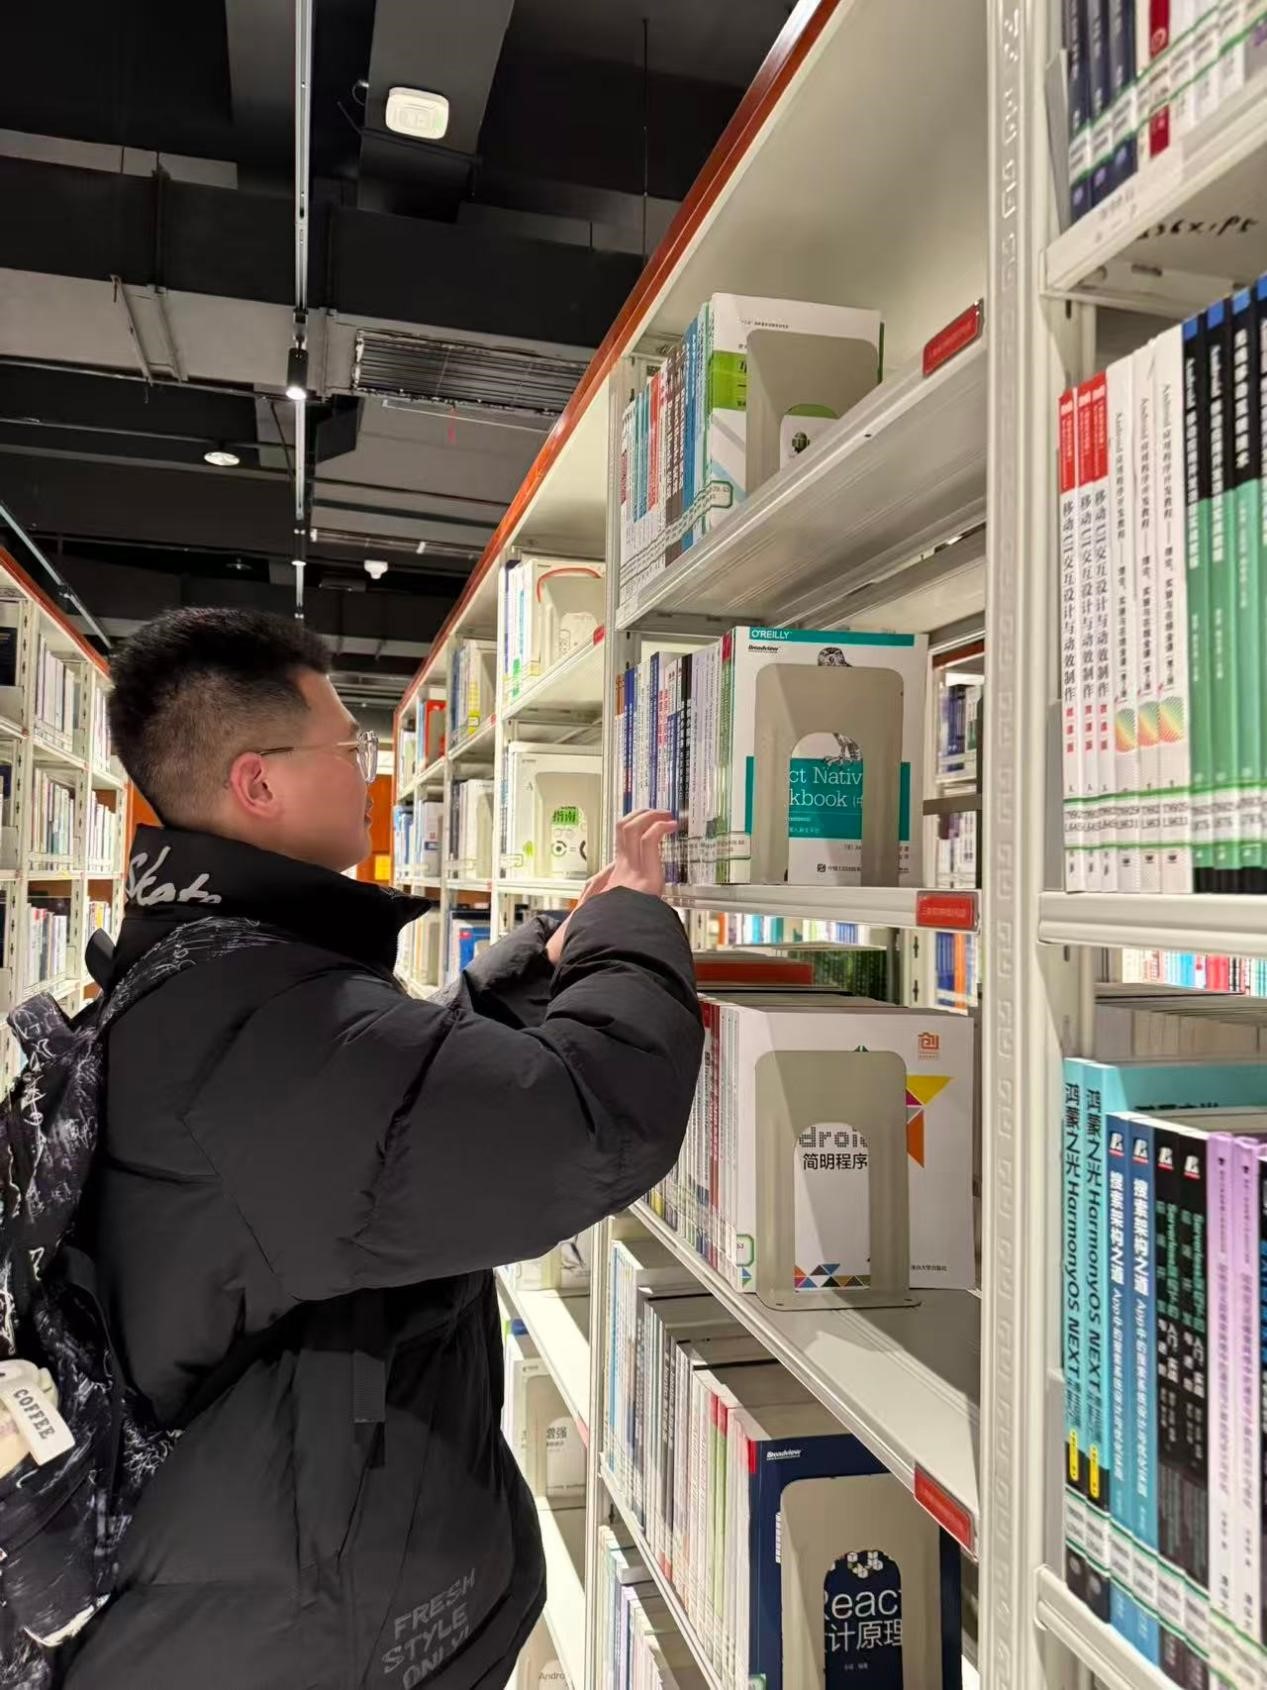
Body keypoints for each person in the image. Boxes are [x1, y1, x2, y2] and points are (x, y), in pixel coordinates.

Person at [63, 608, 702, 1690]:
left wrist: (537, 963)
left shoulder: (208, 967)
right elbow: (593, 1120)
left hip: (255, 1596)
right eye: (347, 748)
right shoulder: (261, 1030)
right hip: (292, 1643)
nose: (369, 773)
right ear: (258, 783)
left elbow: (384, 1114)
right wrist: (633, 926)